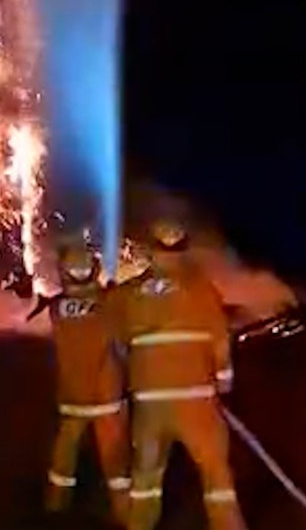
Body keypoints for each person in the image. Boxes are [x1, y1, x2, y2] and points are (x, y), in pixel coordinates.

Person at [112, 218, 247, 530]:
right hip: (196, 399)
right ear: (183, 251)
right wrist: (224, 378)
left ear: (149, 251)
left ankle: (140, 525)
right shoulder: (199, 289)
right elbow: (219, 337)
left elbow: (117, 341)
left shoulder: (128, 294)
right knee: (216, 474)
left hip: (149, 402)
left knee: (146, 476)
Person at [31, 229, 132, 526]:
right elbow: (122, 329)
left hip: (73, 395)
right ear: (94, 270)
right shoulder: (109, 304)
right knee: (115, 457)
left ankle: (55, 504)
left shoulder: (56, 309)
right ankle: (125, 512)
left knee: (65, 451)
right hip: (107, 395)